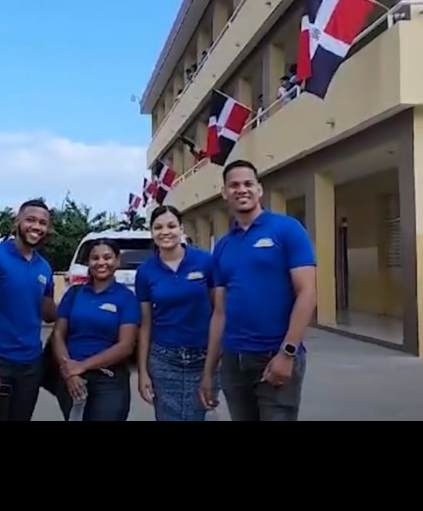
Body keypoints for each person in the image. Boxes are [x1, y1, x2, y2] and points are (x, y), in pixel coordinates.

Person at [201, 160, 317, 422]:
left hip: (274, 355)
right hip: (233, 361)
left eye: (248, 184)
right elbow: (220, 312)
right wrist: (209, 372)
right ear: (224, 193)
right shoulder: (222, 246)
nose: (241, 190)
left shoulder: (287, 230)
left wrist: (287, 353)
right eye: (234, 185)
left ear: (259, 189)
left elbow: (307, 293)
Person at [0, 199, 57, 421]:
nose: (37, 227)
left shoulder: (43, 267)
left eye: (43, 223)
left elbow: (48, 313)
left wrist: (82, 301)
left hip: (30, 364)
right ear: (16, 222)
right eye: (31, 220)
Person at [135, 204, 217, 421]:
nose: (165, 232)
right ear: (151, 232)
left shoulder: (205, 262)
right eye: (158, 227)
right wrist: (143, 371)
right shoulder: (145, 272)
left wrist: (219, 355)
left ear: (181, 229)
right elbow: (145, 324)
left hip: (203, 357)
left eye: (171, 226)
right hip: (164, 359)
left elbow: (219, 311)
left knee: (198, 414)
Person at [49, 238, 140, 421]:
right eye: (95, 258)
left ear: (117, 260)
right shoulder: (74, 293)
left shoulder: (126, 298)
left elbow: (126, 346)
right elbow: (58, 334)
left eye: (107, 257)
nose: (101, 263)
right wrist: (69, 372)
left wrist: (81, 366)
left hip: (110, 382)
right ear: (88, 262)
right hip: (73, 380)